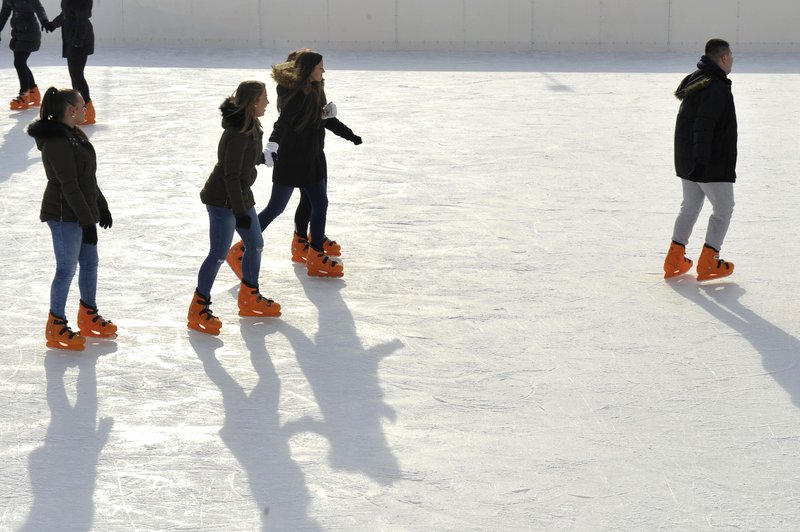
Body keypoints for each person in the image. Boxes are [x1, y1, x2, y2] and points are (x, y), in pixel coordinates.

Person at [227, 49, 361, 279]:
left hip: (312, 157)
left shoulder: (315, 88)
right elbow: (283, 122)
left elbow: (323, 120)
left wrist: (349, 134)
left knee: (317, 204)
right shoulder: (297, 95)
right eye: (320, 68)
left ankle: (313, 251)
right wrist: (272, 146)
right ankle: (242, 248)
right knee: (278, 207)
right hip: (293, 160)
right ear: (309, 70)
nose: (324, 71)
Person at [188, 80, 281, 336]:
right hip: (222, 200)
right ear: (253, 102)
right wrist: (240, 212)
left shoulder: (252, 125)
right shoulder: (237, 133)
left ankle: (250, 296)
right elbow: (230, 175)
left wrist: (263, 158)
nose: (267, 102)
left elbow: (244, 163)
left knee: (256, 243)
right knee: (218, 253)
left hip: (240, 194)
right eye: (264, 98)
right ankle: (199, 307)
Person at [27, 87, 116, 351]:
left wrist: (102, 205)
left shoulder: (75, 134)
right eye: (83, 105)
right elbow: (69, 185)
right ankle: (56, 324)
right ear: (70, 110)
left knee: (90, 263)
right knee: (66, 268)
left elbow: (87, 177)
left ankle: (88, 314)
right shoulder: (56, 142)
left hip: (81, 210)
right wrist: (88, 222)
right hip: (64, 214)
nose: (87, 109)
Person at [664, 38, 737, 281]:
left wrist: (693, 164)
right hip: (708, 163)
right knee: (724, 209)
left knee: (690, 207)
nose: (733, 61)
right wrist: (702, 164)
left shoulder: (697, 79)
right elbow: (703, 126)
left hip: (688, 161)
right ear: (724, 58)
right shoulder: (715, 87)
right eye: (731, 56)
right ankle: (709, 262)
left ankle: (674, 258)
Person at [46, 0, 96, 125]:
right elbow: (65, 14)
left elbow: (82, 19)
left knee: (77, 75)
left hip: (80, 38)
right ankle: (80, 109)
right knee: (74, 75)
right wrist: (53, 24)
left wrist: (78, 40)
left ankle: (88, 110)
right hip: (71, 37)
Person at [0, 0, 51, 110]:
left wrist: (44, 21)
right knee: (21, 63)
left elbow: (39, 8)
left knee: (19, 62)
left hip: (30, 33)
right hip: (18, 32)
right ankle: (33, 92)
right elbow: (4, 13)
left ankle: (24, 95)